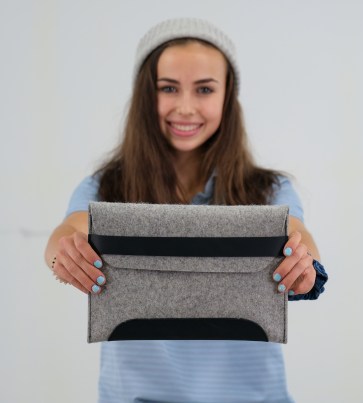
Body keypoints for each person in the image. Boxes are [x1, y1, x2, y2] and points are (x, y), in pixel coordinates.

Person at [44, 18, 327, 403]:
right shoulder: (106, 186)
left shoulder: (269, 189)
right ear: (146, 95)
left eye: (205, 89)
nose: (186, 107)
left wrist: (305, 264)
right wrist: (63, 254)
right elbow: (68, 232)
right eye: (168, 88)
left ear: (228, 97)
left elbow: (299, 235)